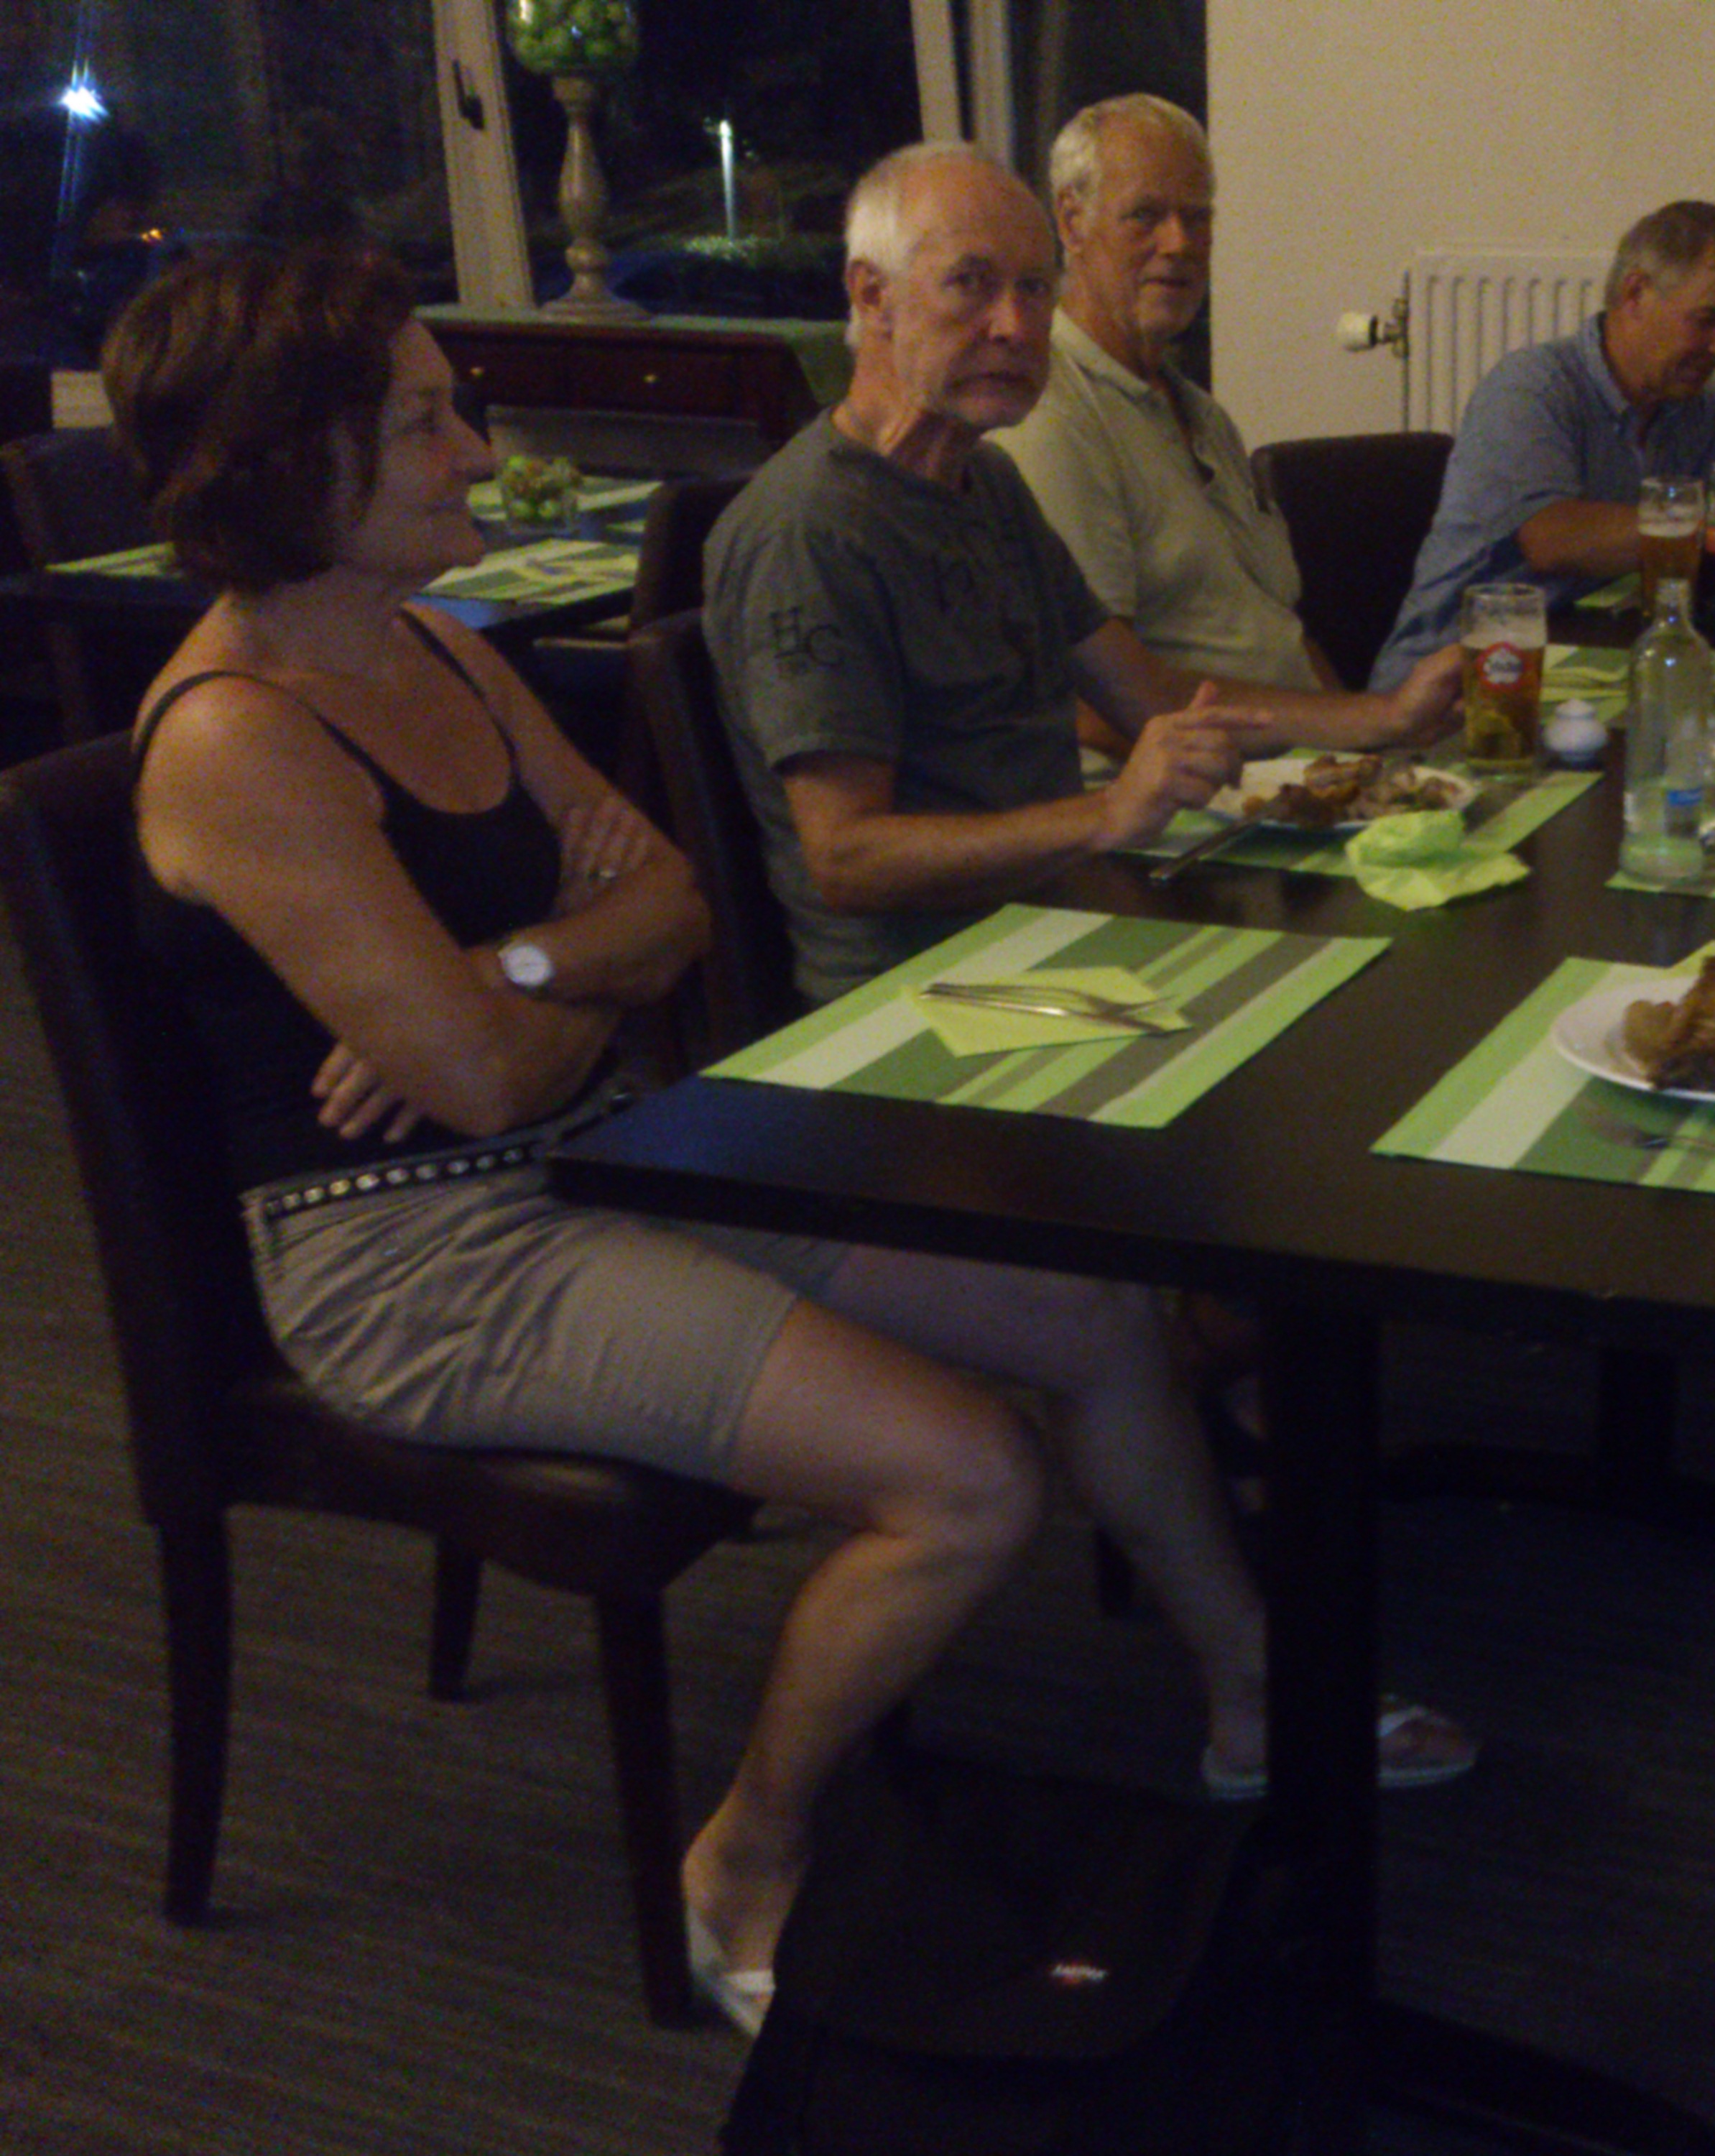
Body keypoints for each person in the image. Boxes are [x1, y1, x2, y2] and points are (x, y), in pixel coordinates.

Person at [106, 244, 1469, 2038]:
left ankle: (1253, 1700)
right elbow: (490, 1085)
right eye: (427, 420)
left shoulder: (437, 646)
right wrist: (553, 984)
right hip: (421, 1252)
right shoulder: (234, 740)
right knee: (969, 1476)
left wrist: (513, 967)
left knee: (1088, 1312)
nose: (475, 448)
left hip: (609, 1148)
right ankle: (741, 1859)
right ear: (297, 462)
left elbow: (668, 904)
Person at [705, 142, 1461, 1008]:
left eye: (1034, 289)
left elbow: (1154, 697)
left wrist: (1386, 717)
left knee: (1394, 973)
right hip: (924, 999)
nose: (1015, 326)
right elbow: (845, 859)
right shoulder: (809, 531)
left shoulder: (986, 483)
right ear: (871, 296)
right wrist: (1106, 814)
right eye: (970, 284)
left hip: (1063, 929)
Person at [1369, 198, 1715, 688]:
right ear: (1635, 294)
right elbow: (1553, 540)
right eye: (1708, 320)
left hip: (1576, 665)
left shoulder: (1690, 411)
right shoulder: (1532, 389)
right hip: (1452, 685)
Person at [987, 95, 1333, 691]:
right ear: (1071, 222)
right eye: (1145, 216)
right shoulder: (1051, 412)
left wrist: (1375, 729)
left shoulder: (1202, 415)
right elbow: (1088, 700)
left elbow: (1281, 632)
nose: (1179, 243)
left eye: (1197, 218)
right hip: (1208, 749)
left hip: (1305, 737)